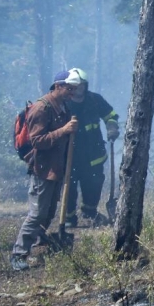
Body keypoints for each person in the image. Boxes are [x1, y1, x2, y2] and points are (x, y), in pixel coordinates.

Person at [11, 70, 80, 271]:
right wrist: (64, 130)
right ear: (58, 86)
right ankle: (18, 254)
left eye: (74, 90)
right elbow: (37, 141)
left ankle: (37, 246)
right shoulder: (42, 108)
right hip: (42, 170)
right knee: (37, 214)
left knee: (49, 212)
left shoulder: (62, 107)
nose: (72, 93)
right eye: (69, 89)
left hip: (56, 170)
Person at [64, 68, 119, 227]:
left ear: (85, 86)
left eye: (81, 85)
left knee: (94, 184)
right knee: (69, 188)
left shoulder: (95, 100)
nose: (78, 88)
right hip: (70, 156)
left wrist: (112, 127)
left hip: (93, 154)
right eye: (75, 85)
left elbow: (111, 115)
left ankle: (90, 212)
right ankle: (69, 218)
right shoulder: (64, 103)